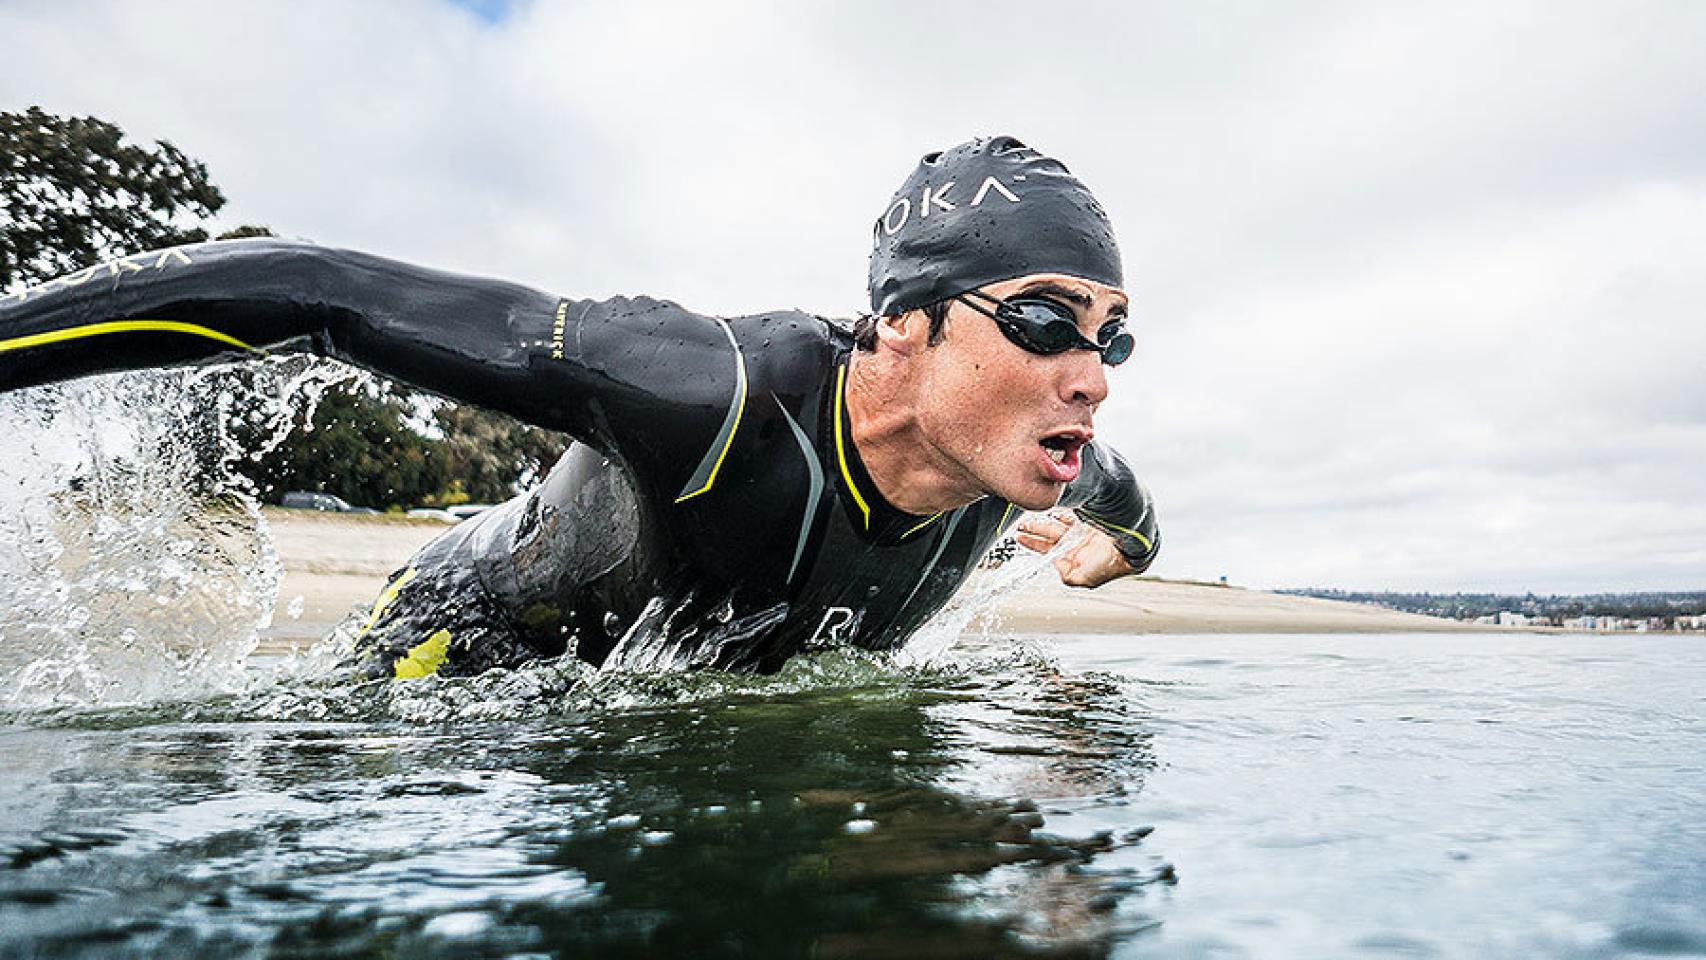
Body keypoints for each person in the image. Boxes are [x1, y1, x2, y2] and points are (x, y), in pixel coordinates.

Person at [0, 135, 1159, 677]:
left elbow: (1133, 520)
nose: (1091, 374)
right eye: (1043, 319)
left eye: (1110, 333)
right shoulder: (703, 389)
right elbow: (317, 290)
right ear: (903, 321)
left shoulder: (1037, 457)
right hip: (470, 640)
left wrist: (1110, 555)